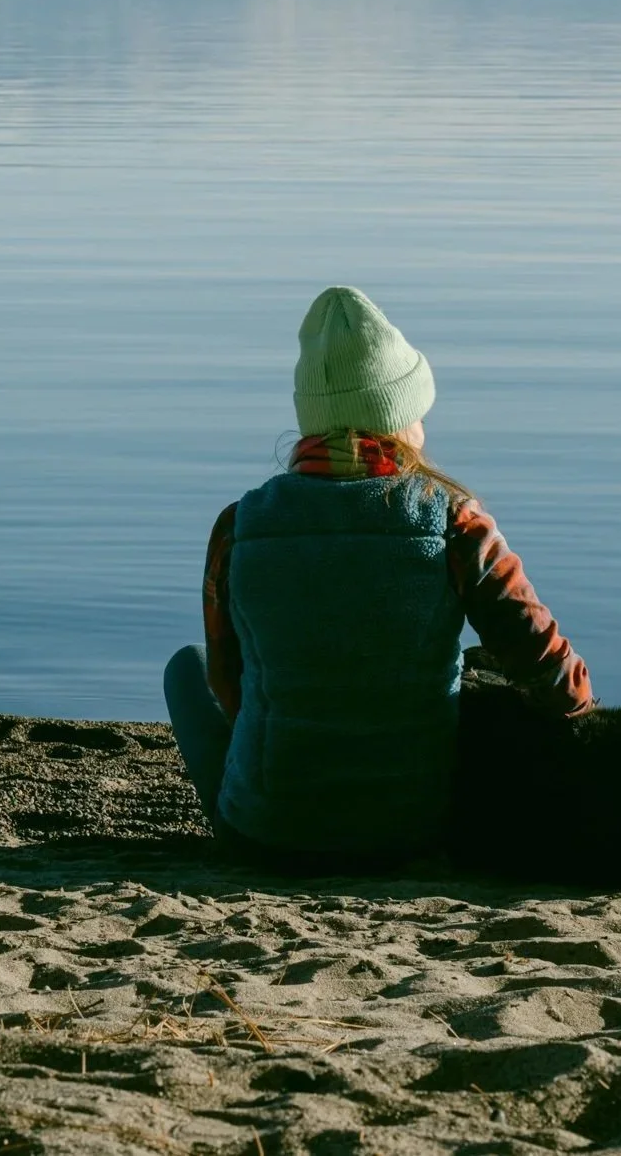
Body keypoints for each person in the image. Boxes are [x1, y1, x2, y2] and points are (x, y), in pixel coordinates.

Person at [165, 285, 593, 866]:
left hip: (268, 832)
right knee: (471, 673)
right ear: (400, 420)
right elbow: (548, 669)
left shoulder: (239, 526)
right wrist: (580, 714)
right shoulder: (452, 519)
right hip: (416, 829)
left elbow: (228, 680)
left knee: (185, 669)